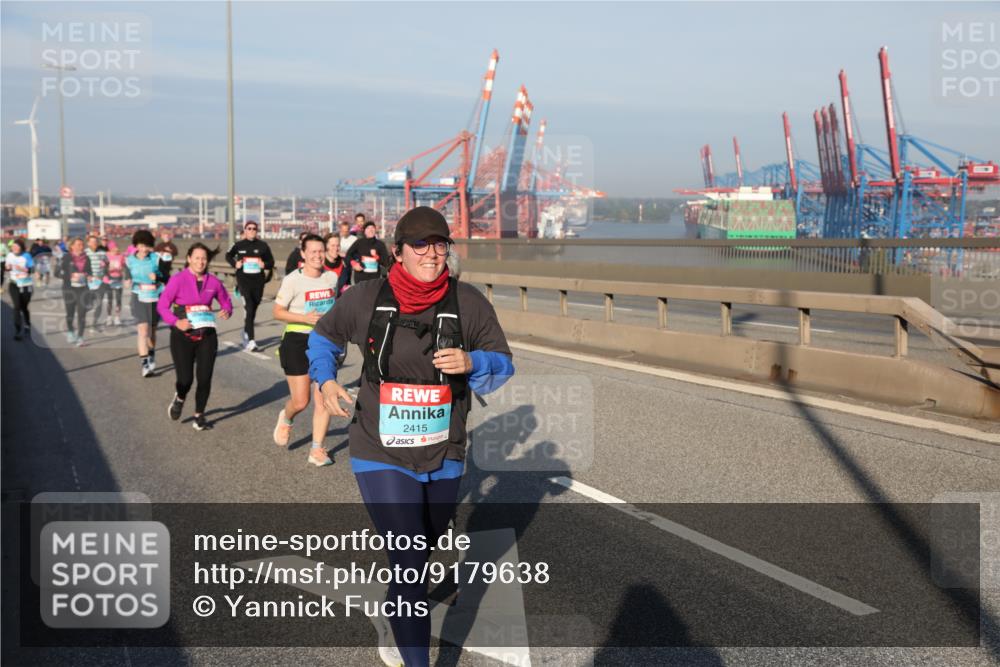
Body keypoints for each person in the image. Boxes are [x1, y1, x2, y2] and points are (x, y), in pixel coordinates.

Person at [307, 206, 514, 667]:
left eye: (440, 243)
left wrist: (474, 362)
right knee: (408, 556)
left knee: (428, 542)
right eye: (419, 244)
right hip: (378, 446)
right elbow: (323, 337)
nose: (432, 253)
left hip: (444, 448)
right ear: (397, 252)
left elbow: (504, 362)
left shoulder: (469, 302)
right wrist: (325, 380)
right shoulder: (365, 298)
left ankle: (395, 611)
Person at [272, 234, 339, 466]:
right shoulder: (293, 280)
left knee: (324, 399)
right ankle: (287, 417)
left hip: (324, 341)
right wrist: (305, 318)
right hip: (296, 340)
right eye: (313, 251)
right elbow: (277, 311)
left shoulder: (331, 278)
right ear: (303, 254)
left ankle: (317, 449)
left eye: (321, 251)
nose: (318, 255)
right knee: (301, 401)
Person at [158, 243, 233, 431]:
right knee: (185, 380)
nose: (201, 262)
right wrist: (176, 322)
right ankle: (180, 397)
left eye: (204, 258)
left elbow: (225, 300)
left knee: (205, 378)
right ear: (189, 258)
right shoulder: (177, 280)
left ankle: (199, 415)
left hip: (207, 335)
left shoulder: (213, 282)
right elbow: (162, 306)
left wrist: (227, 310)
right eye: (197, 258)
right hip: (182, 335)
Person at [225, 220, 274, 351]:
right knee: (249, 308)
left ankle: (246, 332)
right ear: (245, 230)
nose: (252, 231)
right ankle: (251, 340)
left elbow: (271, 261)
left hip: (258, 281)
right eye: (249, 228)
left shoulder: (263, 246)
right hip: (243, 281)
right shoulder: (238, 245)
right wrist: (235, 264)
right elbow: (228, 255)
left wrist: (264, 264)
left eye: (254, 229)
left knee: (253, 309)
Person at [125, 230, 164, 377]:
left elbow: (165, 277)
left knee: (152, 331)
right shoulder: (129, 260)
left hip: (154, 297)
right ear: (136, 245)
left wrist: (157, 277)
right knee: (143, 330)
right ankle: (145, 365)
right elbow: (127, 276)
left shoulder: (156, 258)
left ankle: (151, 353)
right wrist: (128, 281)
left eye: (147, 246)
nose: (144, 249)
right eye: (142, 245)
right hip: (138, 297)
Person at [56, 237, 92, 345]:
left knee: (82, 313)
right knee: (70, 313)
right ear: (72, 246)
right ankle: (71, 331)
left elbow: (89, 272)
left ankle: (80, 337)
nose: (80, 247)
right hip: (69, 289)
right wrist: (70, 276)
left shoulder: (87, 258)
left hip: (83, 289)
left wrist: (88, 276)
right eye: (78, 245)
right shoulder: (66, 257)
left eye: (82, 245)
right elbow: (56, 273)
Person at [5, 238, 34, 341]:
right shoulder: (9, 255)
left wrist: (24, 269)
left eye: (17, 247)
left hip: (26, 284)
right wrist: (7, 267)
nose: (15, 249)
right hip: (14, 284)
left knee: (24, 307)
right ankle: (18, 330)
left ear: (21, 247)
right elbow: (6, 267)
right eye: (13, 247)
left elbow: (32, 269)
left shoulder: (27, 256)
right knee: (16, 306)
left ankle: (27, 323)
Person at [345, 219, 390, 283]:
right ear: (364, 231)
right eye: (368, 228)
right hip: (360, 278)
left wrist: (377, 257)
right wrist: (354, 263)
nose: (370, 230)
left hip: (375, 279)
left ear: (375, 230)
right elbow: (348, 255)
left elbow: (386, 262)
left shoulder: (380, 244)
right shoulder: (359, 242)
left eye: (372, 228)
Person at [84, 235, 110, 332]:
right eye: (92, 242)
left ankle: (94, 324)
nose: (94, 243)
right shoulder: (84, 253)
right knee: (89, 305)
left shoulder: (103, 253)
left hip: (100, 282)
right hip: (88, 282)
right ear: (88, 243)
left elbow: (107, 263)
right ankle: (81, 315)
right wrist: (87, 275)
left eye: (96, 242)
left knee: (99, 304)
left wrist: (105, 272)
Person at [104, 240, 126, 326]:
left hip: (118, 279)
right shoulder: (106, 256)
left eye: (117, 247)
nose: (116, 249)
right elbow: (102, 267)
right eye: (114, 247)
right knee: (110, 299)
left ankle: (117, 317)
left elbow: (124, 266)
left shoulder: (121, 256)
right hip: (109, 279)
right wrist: (108, 269)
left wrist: (121, 269)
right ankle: (109, 317)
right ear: (110, 248)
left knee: (118, 299)